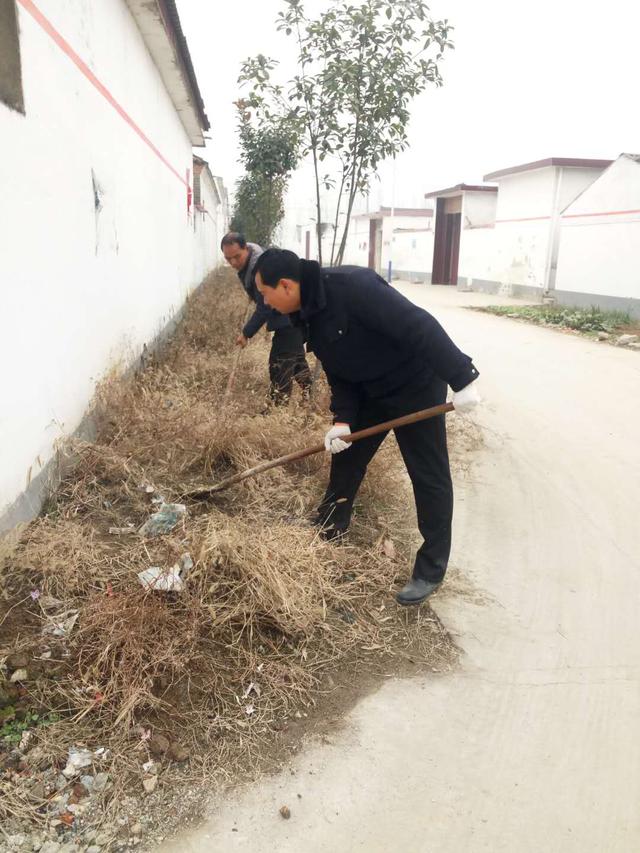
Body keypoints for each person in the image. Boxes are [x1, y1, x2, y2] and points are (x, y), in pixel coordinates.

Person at [253, 248, 481, 606]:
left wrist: (462, 378)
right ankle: (331, 525)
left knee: (428, 474)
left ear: (285, 285)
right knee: (347, 457)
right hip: (369, 392)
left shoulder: (353, 286)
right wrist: (343, 420)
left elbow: (417, 325)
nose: (265, 304)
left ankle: (430, 568)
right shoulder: (305, 313)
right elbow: (337, 368)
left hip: (415, 386)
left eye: (265, 294)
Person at [220, 233, 311, 404]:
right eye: (228, 258)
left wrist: (246, 333)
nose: (233, 263)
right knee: (295, 357)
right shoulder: (251, 263)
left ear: (246, 248)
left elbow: (264, 308)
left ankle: (278, 406)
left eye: (237, 256)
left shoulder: (261, 267)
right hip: (290, 317)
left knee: (280, 362)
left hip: (289, 317)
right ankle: (310, 393)